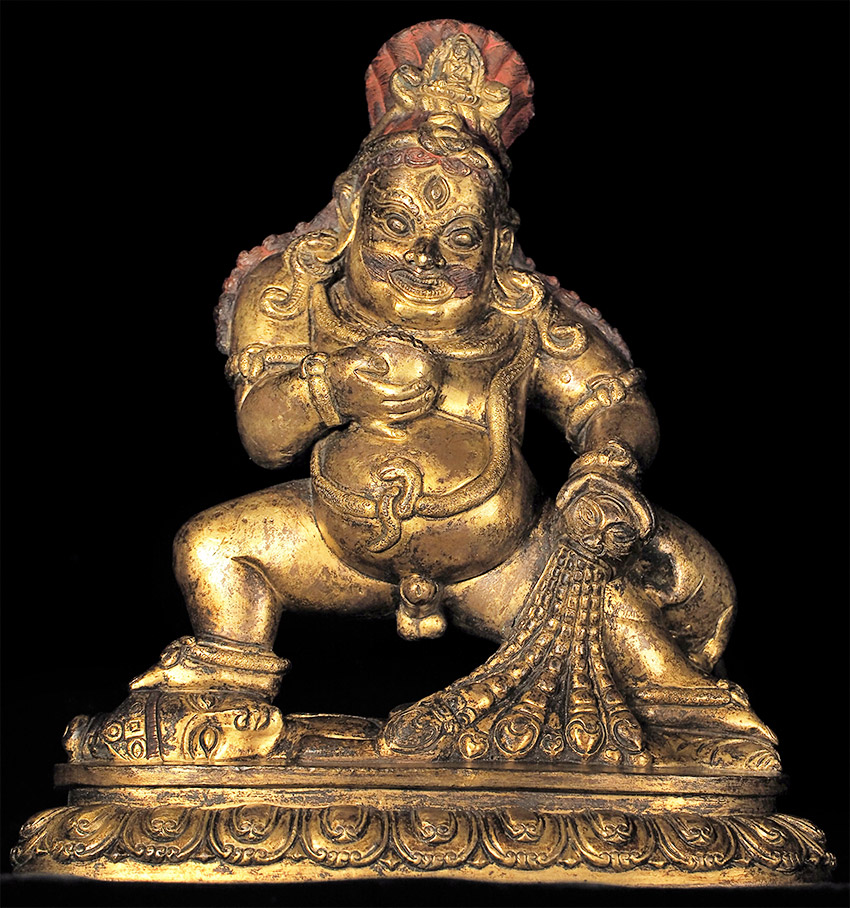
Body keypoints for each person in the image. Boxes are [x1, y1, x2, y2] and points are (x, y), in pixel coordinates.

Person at [128, 24, 776, 768]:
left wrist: (608, 465)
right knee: (210, 548)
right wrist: (333, 386)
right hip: (335, 539)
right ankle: (223, 704)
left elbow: (610, 401)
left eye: (460, 238)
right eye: (396, 225)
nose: (424, 258)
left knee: (609, 609)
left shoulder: (520, 315)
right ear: (351, 215)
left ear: (496, 245)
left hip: (502, 557)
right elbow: (263, 436)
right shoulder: (293, 294)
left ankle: (688, 718)